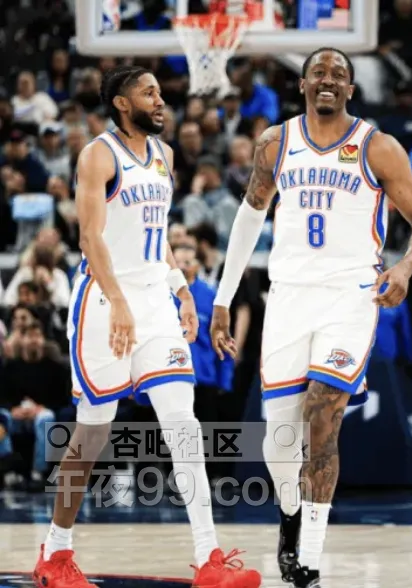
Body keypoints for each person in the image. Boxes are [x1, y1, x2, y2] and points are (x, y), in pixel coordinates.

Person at [209, 48, 412, 587]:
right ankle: (290, 514)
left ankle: (309, 560)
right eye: (319, 72)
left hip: (350, 298)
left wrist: (404, 268)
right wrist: (222, 298)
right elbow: (249, 218)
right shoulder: (276, 142)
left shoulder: (378, 147)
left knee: (322, 412)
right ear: (303, 84)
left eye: (339, 74)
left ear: (351, 89)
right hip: (289, 298)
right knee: (278, 443)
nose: (328, 80)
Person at [32, 65, 261, 588]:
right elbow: (90, 238)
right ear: (121, 102)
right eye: (149, 93)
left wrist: (181, 290)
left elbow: (156, 239)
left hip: (155, 301)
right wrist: (117, 300)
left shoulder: (165, 156)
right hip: (103, 299)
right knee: (93, 430)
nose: (160, 100)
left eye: (160, 92)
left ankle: (210, 559)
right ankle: (56, 553)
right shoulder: (98, 155)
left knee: (183, 422)